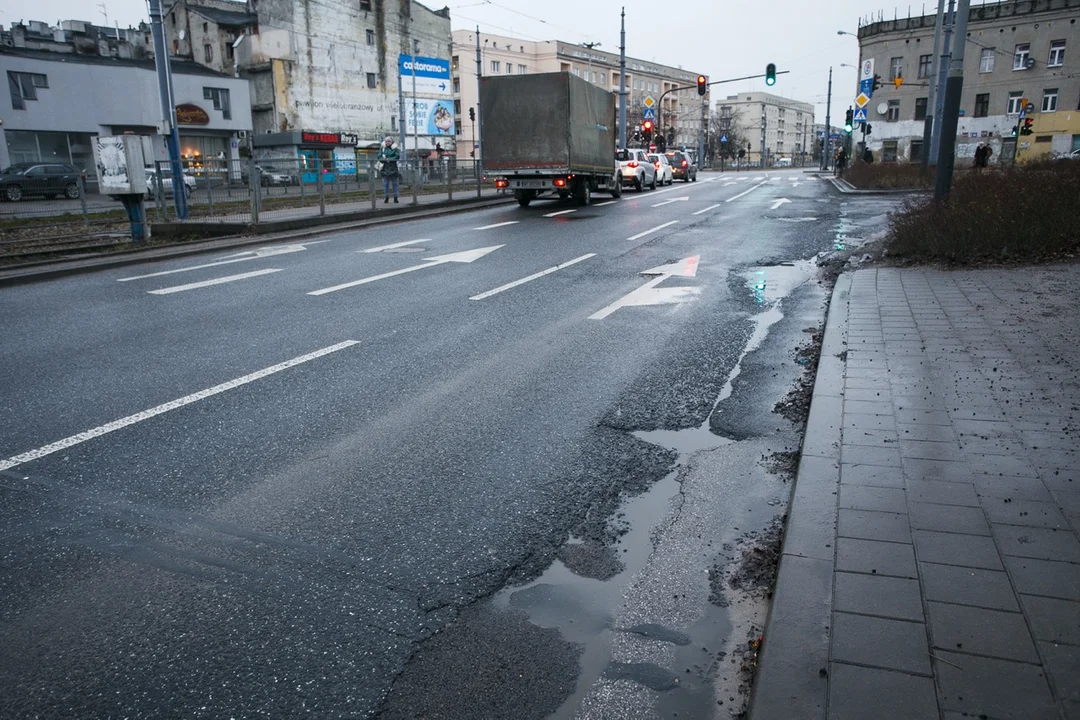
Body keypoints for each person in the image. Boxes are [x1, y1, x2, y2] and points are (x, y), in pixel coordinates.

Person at [377, 136, 400, 203]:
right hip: (384, 169)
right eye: (386, 141)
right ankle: (386, 197)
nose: (387, 142)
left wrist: (389, 159)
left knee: (394, 184)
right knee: (385, 184)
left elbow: (397, 156)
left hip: (393, 169)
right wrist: (384, 160)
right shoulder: (382, 148)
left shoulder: (395, 148)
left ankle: (395, 197)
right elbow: (379, 156)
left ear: (391, 142)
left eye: (389, 141)